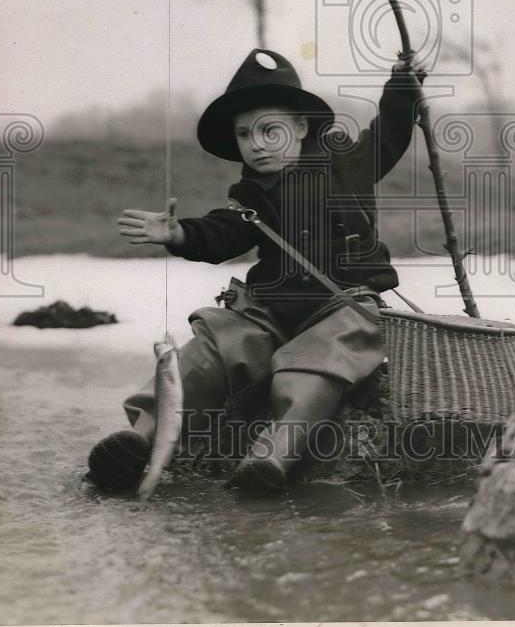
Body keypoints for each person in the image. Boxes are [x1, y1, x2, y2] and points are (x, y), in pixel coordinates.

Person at [86, 47, 424, 493]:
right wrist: (180, 234)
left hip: (343, 306)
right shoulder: (249, 193)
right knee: (209, 351)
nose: (257, 143)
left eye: (270, 130)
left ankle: (274, 455)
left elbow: (390, 133)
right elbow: (223, 232)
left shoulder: (348, 164)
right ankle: (141, 437)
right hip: (268, 311)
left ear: (301, 127)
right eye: (245, 135)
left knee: (316, 363)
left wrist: (403, 85)